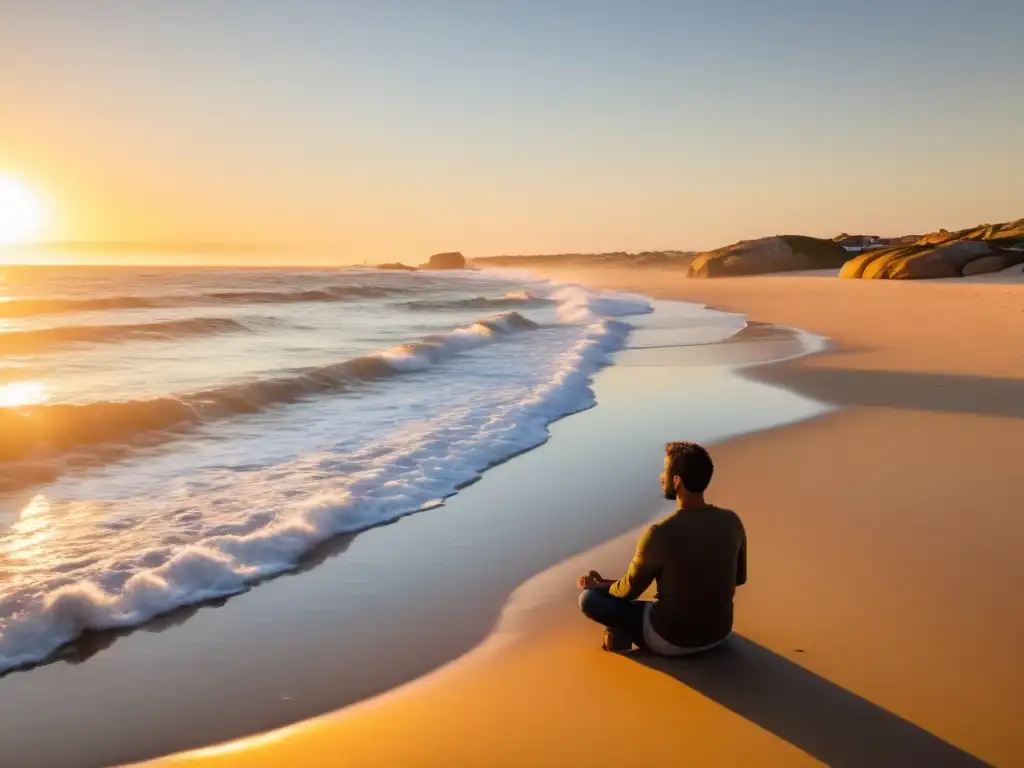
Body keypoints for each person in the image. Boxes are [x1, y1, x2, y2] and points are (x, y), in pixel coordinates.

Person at [577, 441, 746, 654]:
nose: (660, 477)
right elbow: (738, 579)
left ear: (676, 481)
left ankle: (625, 633)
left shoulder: (660, 532)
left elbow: (629, 591)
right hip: (719, 633)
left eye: (664, 471)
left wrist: (598, 587)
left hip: (672, 639)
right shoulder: (732, 521)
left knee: (590, 599)